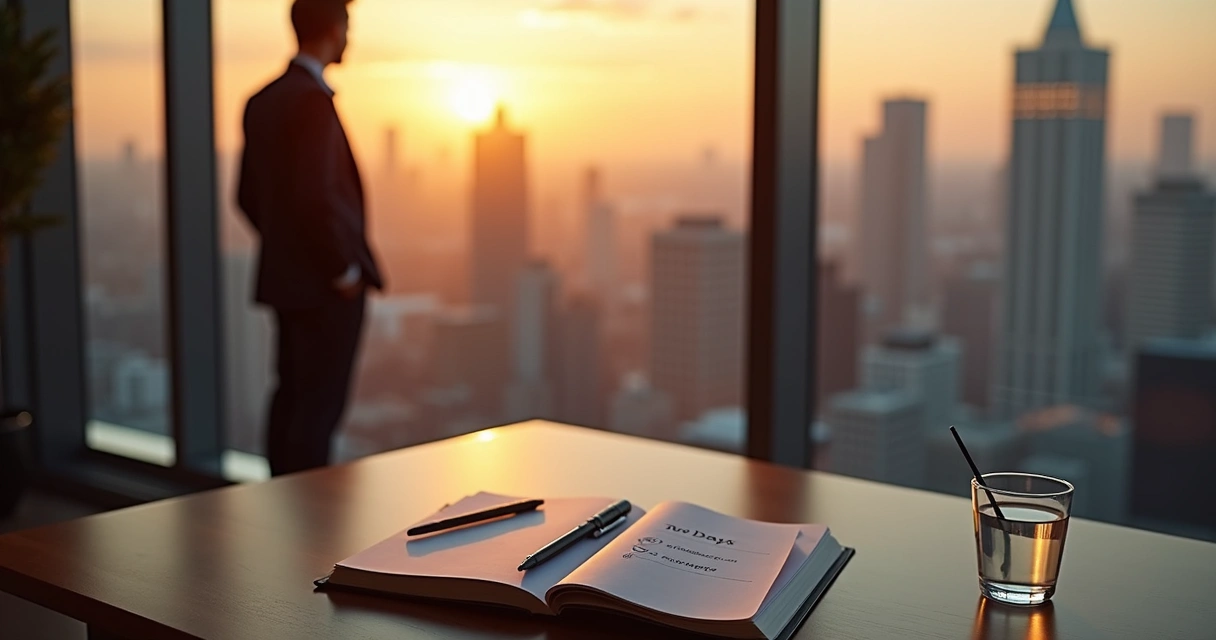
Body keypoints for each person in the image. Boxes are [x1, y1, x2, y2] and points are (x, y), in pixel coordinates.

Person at [237, 0, 382, 475]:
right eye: (348, 26)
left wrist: (287, 250)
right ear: (333, 29)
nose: (350, 38)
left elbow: (247, 197)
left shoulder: (262, 100)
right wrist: (341, 270)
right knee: (318, 409)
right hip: (326, 289)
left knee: (290, 397)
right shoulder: (312, 103)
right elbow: (315, 197)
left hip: (287, 283)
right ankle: (307, 512)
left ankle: (279, 501)